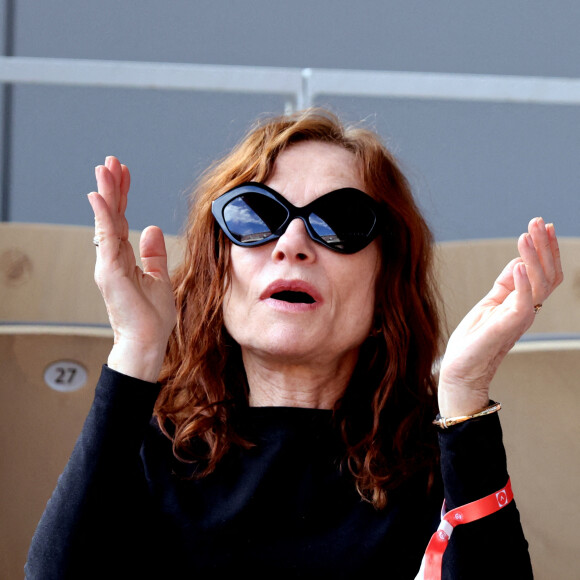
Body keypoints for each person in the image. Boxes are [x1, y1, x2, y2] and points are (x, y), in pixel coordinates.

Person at [26, 108, 562, 579]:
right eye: (255, 215)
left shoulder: (436, 465)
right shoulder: (151, 449)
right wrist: (137, 352)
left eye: (340, 221)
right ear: (220, 270)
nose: (292, 243)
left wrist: (465, 395)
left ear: (386, 278)